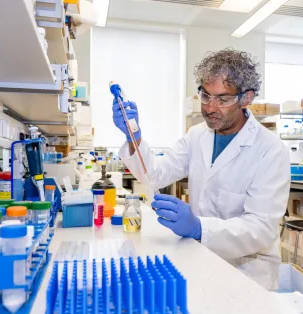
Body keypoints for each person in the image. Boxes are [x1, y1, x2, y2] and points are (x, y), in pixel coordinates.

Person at [112, 48, 290, 289]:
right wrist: (133, 135)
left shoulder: (270, 149)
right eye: (205, 96)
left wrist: (198, 227)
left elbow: (260, 229)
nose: (210, 107)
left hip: (247, 273)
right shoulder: (197, 136)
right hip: (199, 259)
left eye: (223, 99)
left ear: (246, 98)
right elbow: (154, 174)